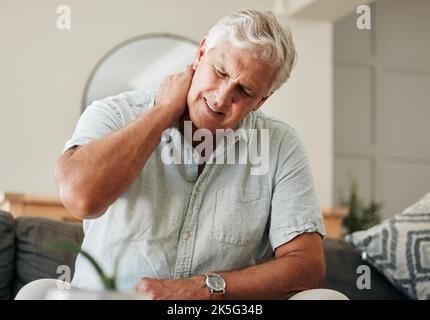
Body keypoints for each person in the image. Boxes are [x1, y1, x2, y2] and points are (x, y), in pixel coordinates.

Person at [16, 9, 347, 300]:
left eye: (244, 91)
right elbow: (80, 198)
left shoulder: (280, 145)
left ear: (262, 100)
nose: (220, 98)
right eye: (220, 72)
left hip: (215, 308)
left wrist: (203, 288)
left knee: (326, 299)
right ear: (202, 52)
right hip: (111, 298)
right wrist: (163, 112)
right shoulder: (116, 112)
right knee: (35, 294)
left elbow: (306, 266)